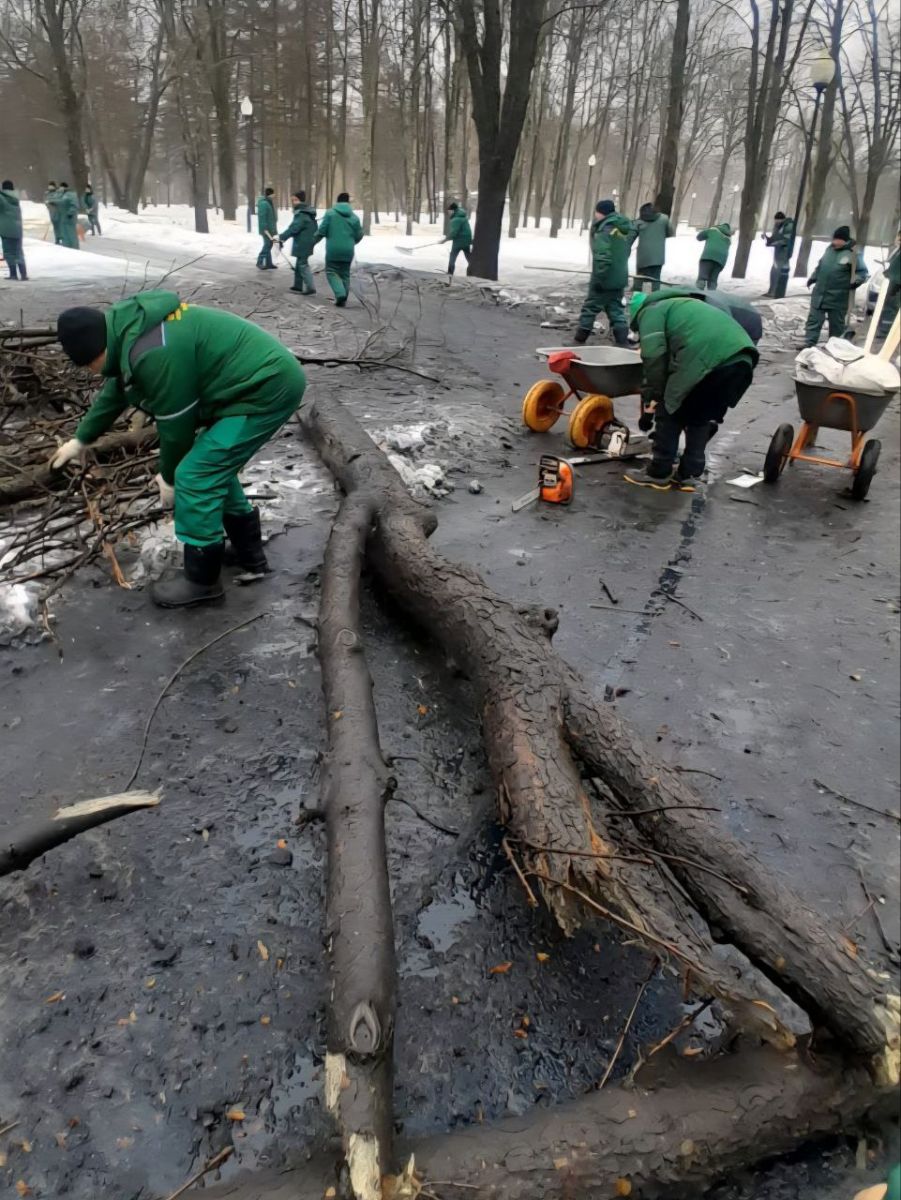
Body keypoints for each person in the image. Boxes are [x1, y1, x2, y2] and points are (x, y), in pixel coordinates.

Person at [50, 291, 305, 608]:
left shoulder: (153, 352)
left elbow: (177, 428)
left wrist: (169, 478)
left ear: (98, 349)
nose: (92, 372)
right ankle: (248, 553)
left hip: (265, 388)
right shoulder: (127, 332)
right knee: (211, 464)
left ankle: (203, 583)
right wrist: (81, 439)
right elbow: (118, 389)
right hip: (242, 388)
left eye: (89, 364)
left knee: (196, 474)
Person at [624, 290, 758, 491]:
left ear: (636, 314)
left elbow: (654, 356)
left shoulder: (651, 311)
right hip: (743, 360)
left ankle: (659, 472)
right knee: (700, 415)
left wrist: (655, 393)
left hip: (709, 358)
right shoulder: (682, 305)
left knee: (669, 409)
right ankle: (689, 474)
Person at [574, 198, 634, 345]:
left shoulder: (604, 229)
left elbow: (603, 255)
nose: (595, 215)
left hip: (605, 277)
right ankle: (622, 342)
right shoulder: (621, 229)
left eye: (597, 212)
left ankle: (579, 340)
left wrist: (600, 277)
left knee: (590, 307)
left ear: (601, 212)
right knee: (615, 308)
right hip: (619, 276)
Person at [804, 225, 869, 347]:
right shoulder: (829, 250)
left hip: (838, 297)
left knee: (836, 325)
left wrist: (856, 281)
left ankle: (834, 345)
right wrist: (813, 277)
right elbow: (820, 266)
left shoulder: (853, 253)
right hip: (820, 294)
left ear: (845, 240)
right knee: (814, 320)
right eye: (834, 239)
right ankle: (809, 342)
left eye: (838, 240)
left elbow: (863, 272)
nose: (835, 242)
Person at [312, 192, 363, 307]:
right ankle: (343, 298)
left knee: (331, 272)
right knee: (345, 274)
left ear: (337, 201)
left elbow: (322, 231)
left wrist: (312, 242)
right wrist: (351, 242)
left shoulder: (330, 214)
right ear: (348, 202)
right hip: (348, 250)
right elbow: (359, 235)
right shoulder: (354, 217)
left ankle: (340, 294)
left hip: (333, 249)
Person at [278, 190, 318, 294]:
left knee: (302, 264)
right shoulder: (306, 212)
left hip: (304, 242)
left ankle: (310, 287)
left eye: (296, 200)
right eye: (293, 200)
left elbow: (294, 228)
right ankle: (297, 285)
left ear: (301, 200)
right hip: (306, 241)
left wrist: (281, 237)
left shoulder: (302, 214)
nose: (294, 202)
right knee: (300, 262)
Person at [633, 202, 674, 292]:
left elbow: (630, 237)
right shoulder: (664, 219)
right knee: (655, 280)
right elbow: (670, 233)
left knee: (639, 279)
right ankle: (655, 299)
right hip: (658, 256)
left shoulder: (639, 221)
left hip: (643, 256)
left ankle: (637, 299)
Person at [0, 180, 27, 281]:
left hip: (6, 229)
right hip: (17, 228)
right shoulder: (15, 198)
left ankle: (13, 274)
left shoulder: (2, 198)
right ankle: (23, 274)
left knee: (9, 252)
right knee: (18, 251)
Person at [763, 210, 794, 297]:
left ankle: (776, 292)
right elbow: (775, 237)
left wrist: (774, 243)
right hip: (778, 253)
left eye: (778, 220)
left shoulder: (789, 226)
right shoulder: (777, 226)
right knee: (773, 272)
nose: (776, 222)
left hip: (784, 253)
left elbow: (786, 240)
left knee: (778, 272)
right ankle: (771, 291)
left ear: (782, 219)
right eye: (775, 220)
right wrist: (768, 239)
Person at [876, 230, 900, 339]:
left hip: (896, 289)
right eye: (898, 236)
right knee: (887, 309)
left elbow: (896, 272)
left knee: (891, 311)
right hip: (891, 286)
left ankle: (886, 334)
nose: (899, 239)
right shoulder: (897, 251)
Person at [695, 222, 732, 290]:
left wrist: (708, 230)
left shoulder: (713, 230)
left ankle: (697, 295)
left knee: (702, 277)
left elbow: (699, 237)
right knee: (713, 280)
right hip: (721, 260)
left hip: (708, 256)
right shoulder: (729, 239)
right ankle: (711, 296)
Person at [443, 201, 473, 280]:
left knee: (452, 257)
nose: (448, 213)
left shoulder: (456, 219)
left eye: (449, 211)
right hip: (467, 241)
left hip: (458, 242)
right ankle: (473, 271)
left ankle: (450, 274)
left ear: (453, 210)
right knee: (469, 258)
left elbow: (454, 233)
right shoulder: (463, 217)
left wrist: (445, 239)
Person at [256, 186, 278, 270]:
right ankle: (259, 261)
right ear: (270, 194)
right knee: (267, 245)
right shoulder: (264, 203)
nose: (274, 196)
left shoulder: (268, 202)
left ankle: (268, 263)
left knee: (269, 245)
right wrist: (264, 228)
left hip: (270, 229)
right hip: (266, 229)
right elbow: (262, 217)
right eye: (273, 194)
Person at [56, 182, 80, 249]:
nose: (60, 188)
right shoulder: (62, 195)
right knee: (64, 234)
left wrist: (70, 213)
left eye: (61, 187)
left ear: (65, 187)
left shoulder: (71, 195)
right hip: (63, 218)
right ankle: (66, 247)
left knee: (71, 233)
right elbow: (60, 202)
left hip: (70, 218)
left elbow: (75, 205)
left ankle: (75, 247)